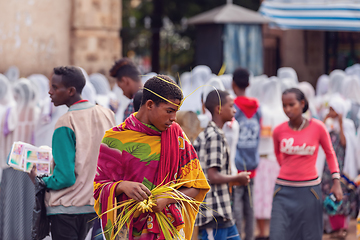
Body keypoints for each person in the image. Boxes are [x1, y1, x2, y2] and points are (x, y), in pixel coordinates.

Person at [94, 75, 210, 240]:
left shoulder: (177, 137)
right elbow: (99, 189)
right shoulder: (115, 140)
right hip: (129, 233)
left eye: (176, 111)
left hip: (168, 231)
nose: (174, 118)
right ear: (149, 105)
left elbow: (196, 187)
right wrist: (122, 186)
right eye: (169, 111)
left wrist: (168, 197)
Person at [29, 66, 116, 240]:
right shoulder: (107, 114)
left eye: (55, 87)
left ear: (70, 91)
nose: (49, 92)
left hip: (66, 207)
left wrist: (40, 179)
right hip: (95, 205)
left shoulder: (65, 122)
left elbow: (65, 178)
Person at [270, 88, 343, 240]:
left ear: (302, 103)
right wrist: (289, 168)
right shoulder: (278, 131)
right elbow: (278, 154)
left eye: (291, 104)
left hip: (310, 191)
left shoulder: (318, 127)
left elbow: (330, 154)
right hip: (283, 191)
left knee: (310, 235)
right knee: (278, 234)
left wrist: (336, 182)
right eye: (284, 105)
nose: (287, 109)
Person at [194, 90, 250, 240]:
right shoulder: (215, 136)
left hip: (222, 210)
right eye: (231, 106)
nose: (235, 110)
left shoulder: (212, 133)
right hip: (214, 211)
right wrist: (238, 177)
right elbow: (212, 176)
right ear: (219, 109)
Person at [321, 95, 358, 238]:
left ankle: (341, 228)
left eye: (333, 109)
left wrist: (341, 124)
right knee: (327, 192)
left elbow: (344, 143)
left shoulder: (347, 124)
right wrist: (324, 120)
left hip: (341, 165)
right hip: (327, 167)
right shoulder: (327, 124)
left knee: (341, 194)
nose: (331, 112)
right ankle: (329, 227)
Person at [231, 67, 261, 240]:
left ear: (232, 83)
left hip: (236, 166)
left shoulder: (231, 107)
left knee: (236, 206)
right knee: (250, 206)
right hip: (253, 164)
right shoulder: (258, 108)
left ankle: (237, 236)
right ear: (249, 84)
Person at [109, 58, 142, 122]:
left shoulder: (132, 105)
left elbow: (125, 131)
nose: (123, 94)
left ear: (125, 81)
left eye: (121, 88)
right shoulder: (155, 99)